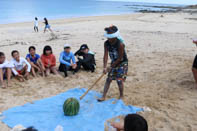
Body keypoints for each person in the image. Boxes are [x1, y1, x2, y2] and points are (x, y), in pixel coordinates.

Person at [98, 25, 128, 102]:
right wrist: (105, 67)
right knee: (108, 79)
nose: (108, 38)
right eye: (107, 37)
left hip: (122, 63)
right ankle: (103, 96)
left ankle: (121, 95)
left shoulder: (120, 44)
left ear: (115, 36)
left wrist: (111, 66)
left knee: (119, 80)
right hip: (113, 62)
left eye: (110, 37)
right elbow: (105, 55)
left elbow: (120, 58)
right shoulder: (106, 43)